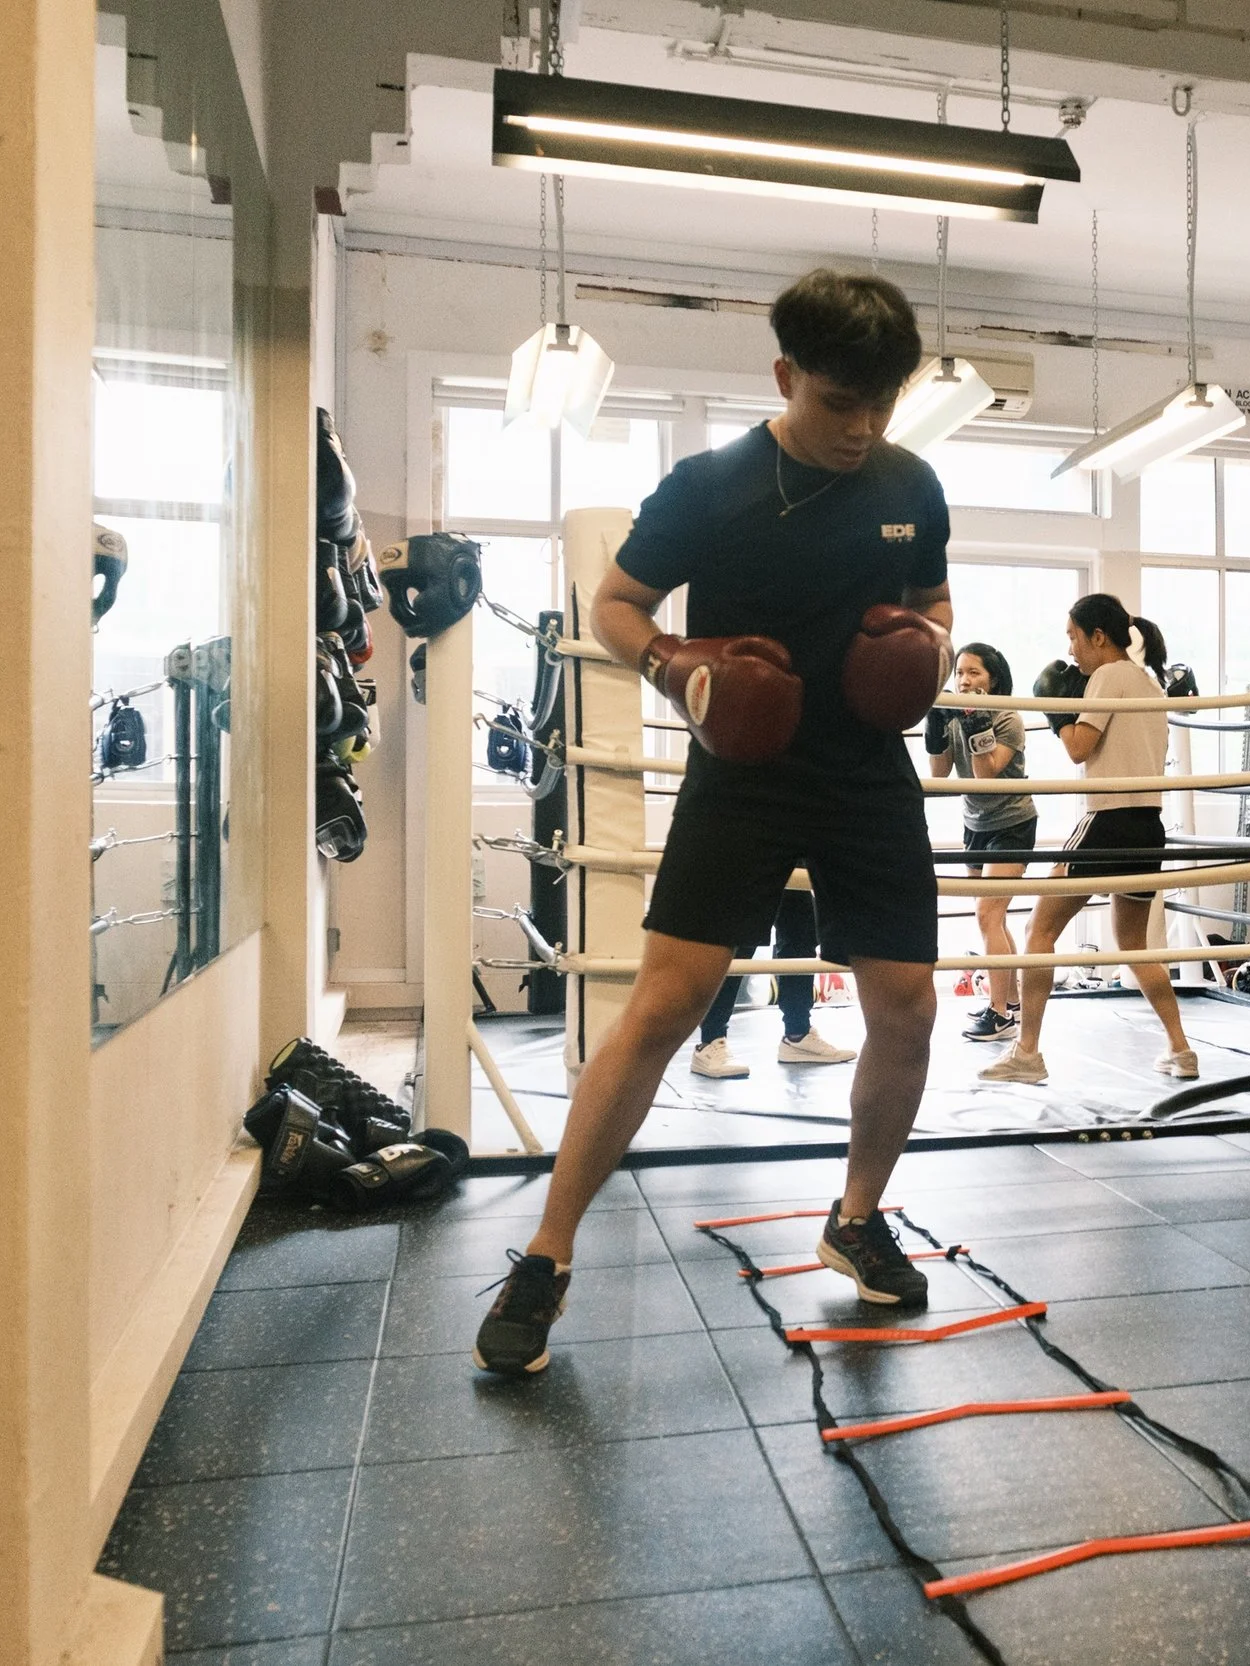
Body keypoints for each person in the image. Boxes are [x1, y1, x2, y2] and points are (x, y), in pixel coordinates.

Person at [475, 269, 954, 1375]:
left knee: (909, 1007)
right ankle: (546, 1255)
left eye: (881, 406)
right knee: (663, 1008)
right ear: (786, 377)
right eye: (840, 404)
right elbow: (614, 605)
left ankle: (856, 1217)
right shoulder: (709, 486)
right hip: (743, 772)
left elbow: (932, 604)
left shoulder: (912, 484)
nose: (862, 429)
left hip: (865, 774)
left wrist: (923, 651)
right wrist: (676, 666)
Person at [981, 594, 1196, 1085]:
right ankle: (1182, 1050)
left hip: (1108, 821)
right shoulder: (1147, 681)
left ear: (1099, 637)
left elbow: (1080, 748)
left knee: (1040, 930)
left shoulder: (1109, 675)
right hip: (1148, 826)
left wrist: (1059, 714)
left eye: (1075, 638)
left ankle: (1027, 1054)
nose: (1072, 650)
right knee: (1134, 944)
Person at [928, 643, 1035, 1043]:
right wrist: (936, 725)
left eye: (974, 673)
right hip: (975, 825)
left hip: (1012, 822)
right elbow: (939, 775)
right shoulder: (957, 715)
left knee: (988, 915)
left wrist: (976, 722)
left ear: (994, 679)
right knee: (994, 918)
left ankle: (1000, 1013)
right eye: (960, 673)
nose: (964, 680)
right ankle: (1012, 1002)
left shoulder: (1009, 718)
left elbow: (986, 774)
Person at [688, 888, 856, 1077]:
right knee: (745, 933)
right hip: (754, 861)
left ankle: (798, 1035)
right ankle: (710, 1041)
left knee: (800, 930)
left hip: (793, 859)